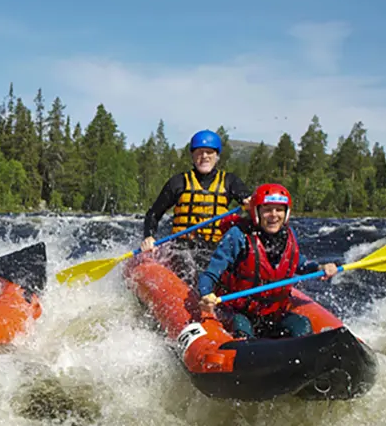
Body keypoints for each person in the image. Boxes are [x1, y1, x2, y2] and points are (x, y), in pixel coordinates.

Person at [197, 184, 338, 339]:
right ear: (256, 212)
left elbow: (300, 264)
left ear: (286, 213)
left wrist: (320, 267)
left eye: (279, 210)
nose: (274, 215)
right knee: (241, 327)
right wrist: (206, 294)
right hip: (237, 311)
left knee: (302, 325)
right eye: (267, 210)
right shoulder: (238, 236)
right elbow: (210, 273)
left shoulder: (289, 235)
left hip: (274, 314)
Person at [140, 129, 252, 279]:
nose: (204, 156)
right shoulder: (178, 182)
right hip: (182, 248)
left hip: (215, 249)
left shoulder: (230, 181)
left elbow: (248, 199)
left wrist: (248, 201)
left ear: (217, 156)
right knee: (188, 271)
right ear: (192, 155)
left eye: (209, 152)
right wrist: (149, 237)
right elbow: (153, 214)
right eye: (199, 152)